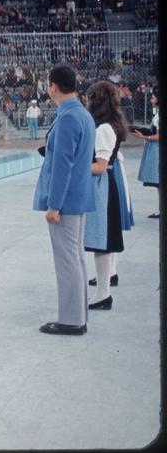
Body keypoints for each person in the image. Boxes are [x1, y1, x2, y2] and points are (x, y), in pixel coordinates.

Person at [33, 65, 96, 336]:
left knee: (68, 260)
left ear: (54, 86)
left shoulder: (70, 117)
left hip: (66, 201)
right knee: (76, 258)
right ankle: (78, 315)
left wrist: (54, 205)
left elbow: (63, 165)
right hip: (78, 195)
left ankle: (71, 320)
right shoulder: (80, 113)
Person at [82, 81, 133, 310]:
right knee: (104, 242)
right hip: (106, 184)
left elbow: (100, 166)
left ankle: (103, 294)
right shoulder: (111, 124)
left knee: (101, 242)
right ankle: (103, 289)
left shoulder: (103, 129)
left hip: (102, 185)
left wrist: (75, 166)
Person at [133, 92, 159, 219]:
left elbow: (159, 136)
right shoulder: (157, 114)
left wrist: (144, 136)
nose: (151, 99)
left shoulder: (159, 116)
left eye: (153, 97)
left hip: (157, 149)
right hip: (155, 147)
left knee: (159, 179)